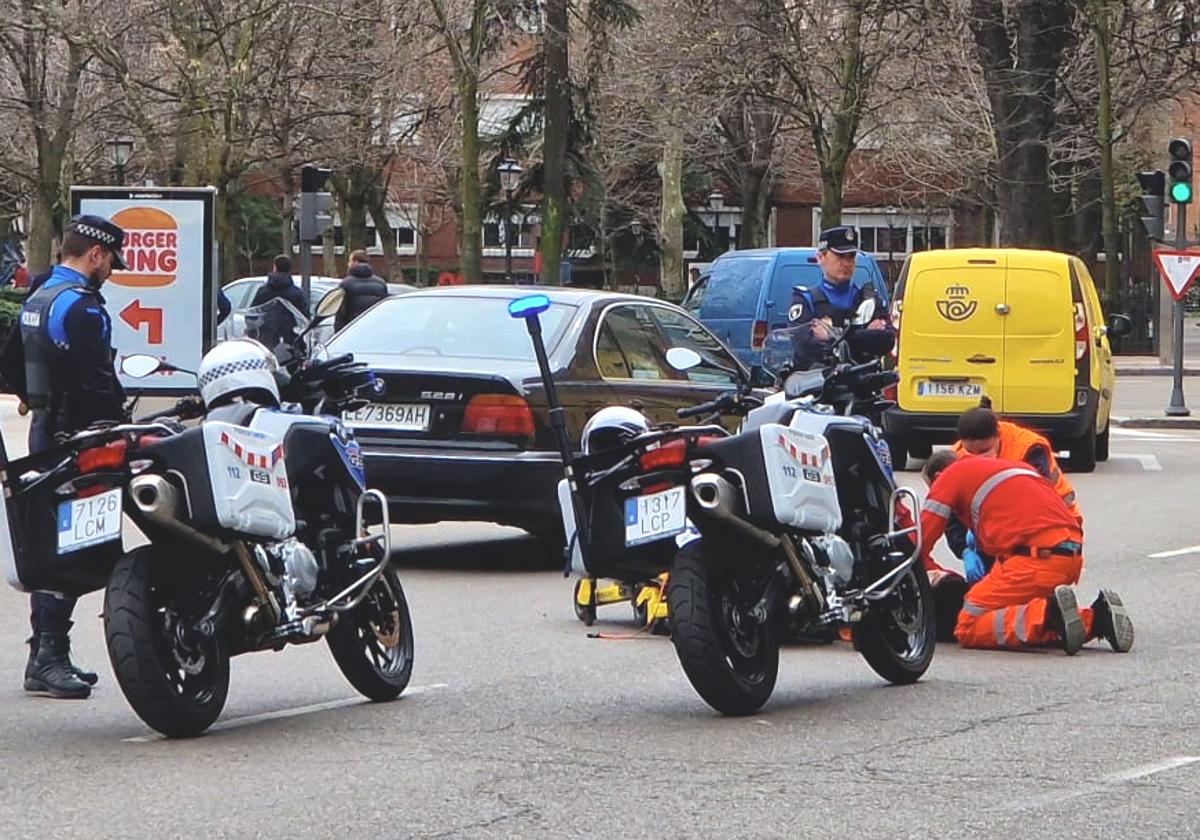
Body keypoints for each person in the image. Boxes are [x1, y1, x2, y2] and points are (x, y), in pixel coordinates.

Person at [20, 214, 130, 698]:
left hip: (44, 429)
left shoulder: (39, 295)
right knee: (75, 541)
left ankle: (44, 652)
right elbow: (96, 382)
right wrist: (114, 430)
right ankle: (48, 655)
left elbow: (11, 361)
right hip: (77, 437)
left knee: (51, 534)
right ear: (96, 255)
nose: (109, 272)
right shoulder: (83, 307)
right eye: (110, 263)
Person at [919, 450, 1133, 655]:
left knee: (968, 625)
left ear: (938, 476)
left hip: (1034, 560)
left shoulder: (951, 477)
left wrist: (921, 570)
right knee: (1009, 611)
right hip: (1067, 557)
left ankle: (1049, 615)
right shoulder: (1012, 468)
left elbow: (921, 540)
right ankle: (1097, 619)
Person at [787, 225, 893, 370]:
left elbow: (886, 340)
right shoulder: (805, 300)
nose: (846, 263)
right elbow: (804, 346)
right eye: (840, 256)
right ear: (820, 257)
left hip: (859, 383)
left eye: (851, 257)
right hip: (819, 385)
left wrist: (832, 335)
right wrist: (862, 335)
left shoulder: (868, 299)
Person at [250, 255, 307, 349]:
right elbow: (304, 316)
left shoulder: (263, 292)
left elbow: (252, 313)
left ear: (275, 268)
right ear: (289, 269)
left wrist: (255, 329)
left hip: (267, 338)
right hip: (290, 338)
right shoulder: (296, 293)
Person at [335, 249, 387, 331]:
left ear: (355, 262)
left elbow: (341, 312)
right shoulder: (380, 283)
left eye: (350, 261)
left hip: (352, 329)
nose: (348, 264)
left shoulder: (345, 283)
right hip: (374, 328)